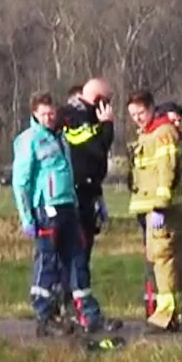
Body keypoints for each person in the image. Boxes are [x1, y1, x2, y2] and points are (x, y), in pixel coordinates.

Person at [12, 93, 120, 337]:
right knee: (48, 262)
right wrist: (26, 217)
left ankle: (87, 314)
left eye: (51, 113)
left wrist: (95, 200)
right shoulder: (29, 140)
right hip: (46, 208)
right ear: (35, 115)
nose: (49, 118)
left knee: (77, 259)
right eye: (44, 114)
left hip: (68, 206)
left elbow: (69, 174)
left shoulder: (60, 139)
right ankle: (45, 314)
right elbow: (21, 181)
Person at [126, 91, 182, 332]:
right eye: (133, 115)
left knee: (162, 259)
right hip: (164, 207)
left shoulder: (161, 133)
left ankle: (165, 315)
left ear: (151, 108)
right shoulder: (152, 133)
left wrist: (159, 206)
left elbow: (167, 170)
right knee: (175, 260)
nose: (137, 118)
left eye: (141, 113)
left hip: (162, 210)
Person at [56, 78, 114, 325]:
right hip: (78, 196)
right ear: (99, 101)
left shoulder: (70, 116)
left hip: (86, 193)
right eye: (107, 102)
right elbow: (96, 152)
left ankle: (71, 307)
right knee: (78, 254)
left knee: (76, 255)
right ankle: (77, 311)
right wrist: (108, 125)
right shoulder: (81, 120)